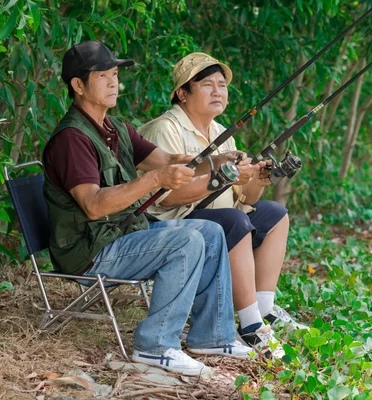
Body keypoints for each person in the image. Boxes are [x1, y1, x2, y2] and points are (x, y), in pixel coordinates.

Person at [42, 41, 252, 376]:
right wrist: (155, 180)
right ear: (78, 86)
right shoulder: (72, 139)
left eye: (114, 75)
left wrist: (217, 160)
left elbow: (168, 159)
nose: (114, 83)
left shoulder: (116, 128)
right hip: (91, 250)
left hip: (121, 235)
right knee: (186, 241)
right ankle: (155, 346)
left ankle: (212, 335)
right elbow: (94, 206)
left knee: (210, 232)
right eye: (103, 76)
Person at [138, 52, 306, 357]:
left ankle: (265, 310)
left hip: (220, 218)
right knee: (233, 221)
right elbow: (166, 197)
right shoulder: (164, 129)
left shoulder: (220, 132)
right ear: (182, 93)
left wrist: (257, 179)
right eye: (207, 85)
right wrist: (223, 177)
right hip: (170, 225)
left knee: (275, 214)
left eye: (222, 85)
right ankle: (251, 326)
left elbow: (245, 200)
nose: (218, 91)